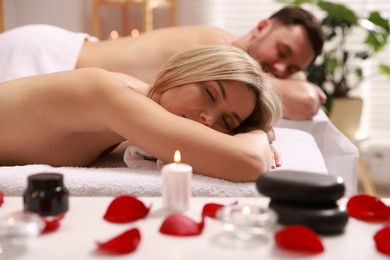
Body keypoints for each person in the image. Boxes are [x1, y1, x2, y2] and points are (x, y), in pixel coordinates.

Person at [0, 45, 283, 182]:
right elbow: (247, 162)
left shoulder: (133, 110)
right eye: (209, 94)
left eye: (226, 122)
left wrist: (251, 131)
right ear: (182, 71)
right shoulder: (109, 93)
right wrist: (258, 134)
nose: (209, 119)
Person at [0, 6, 324, 120]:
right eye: (282, 53)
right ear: (262, 27)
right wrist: (300, 83)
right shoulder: (219, 50)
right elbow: (305, 102)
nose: (281, 70)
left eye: (292, 67)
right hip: (45, 57)